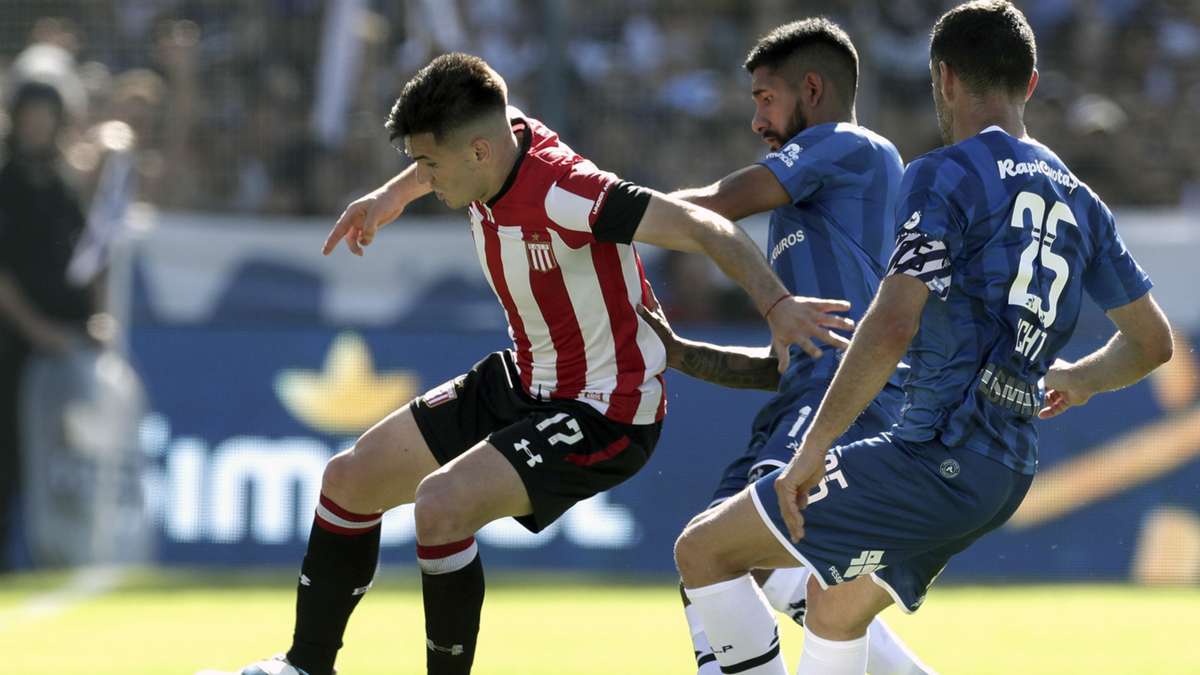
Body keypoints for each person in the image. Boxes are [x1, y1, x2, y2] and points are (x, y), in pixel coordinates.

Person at [207, 53, 851, 675]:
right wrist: (389, 195)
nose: (427, 178)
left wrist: (777, 307)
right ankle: (304, 668)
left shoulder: (568, 193)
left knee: (440, 507)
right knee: (348, 480)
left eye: (429, 165)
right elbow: (459, 144)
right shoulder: (495, 141)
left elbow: (705, 227)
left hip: (607, 410)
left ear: (478, 153)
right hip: (524, 376)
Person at [671, 2, 1174, 674]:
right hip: (1009, 469)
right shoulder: (1081, 200)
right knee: (835, 605)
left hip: (936, 454)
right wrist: (1078, 379)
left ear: (943, 79)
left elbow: (893, 321)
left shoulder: (944, 173)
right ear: (1029, 83)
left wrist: (812, 452)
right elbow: (1151, 343)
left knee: (704, 549)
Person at [637, 18, 929, 675]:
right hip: (809, 396)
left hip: (839, 400)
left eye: (766, 99)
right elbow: (782, 363)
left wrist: (592, 213)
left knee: (722, 551)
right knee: (713, 560)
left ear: (814, 90)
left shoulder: (849, 145)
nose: (757, 121)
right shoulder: (818, 215)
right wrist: (684, 354)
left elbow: (714, 205)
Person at [0, 79, 102, 570]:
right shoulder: (5, 182)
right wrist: (35, 328)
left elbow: (87, 259)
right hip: (12, 350)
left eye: (46, 114)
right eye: (30, 113)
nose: (37, 124)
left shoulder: (64, 185)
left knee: (64, 465)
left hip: (64, 353)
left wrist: (96, 319)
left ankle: (57, 561)